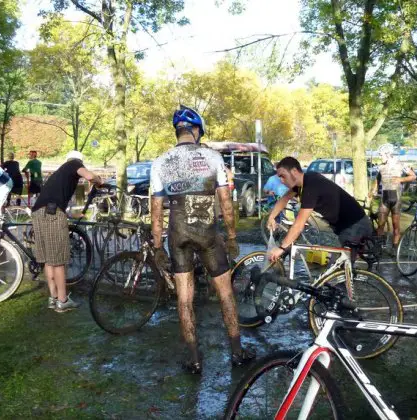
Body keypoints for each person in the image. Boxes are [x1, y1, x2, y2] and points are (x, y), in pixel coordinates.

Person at [150, 104, 254, 374]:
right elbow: (226, 202)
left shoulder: (161, 161)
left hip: (178, 233)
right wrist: (231, 236)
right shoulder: (212, 157)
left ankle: (194, 358)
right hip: (208, 232)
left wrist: (158, 245)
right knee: (225, 293)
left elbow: (157, 209)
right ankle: (237, 351)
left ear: (178, 131)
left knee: (184, 299)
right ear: (196, 131)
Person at [31, 150, 102, 312]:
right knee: (58, 260)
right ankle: (63, 301)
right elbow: (90, 176)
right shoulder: (74, 164)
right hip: (52, 214)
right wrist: (98, 180)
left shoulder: (60, 173)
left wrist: (70, 213)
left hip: (38, 213)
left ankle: (54, 297)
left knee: (48, 259)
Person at [266, 157, 372, 262]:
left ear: (294, 171)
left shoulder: (311, 186)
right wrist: (271, 217)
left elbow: (299, 225)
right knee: (336, 266)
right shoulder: (306, 180)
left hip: (355, 225)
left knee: (341, 269)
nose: (281, 181)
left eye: (283, 176)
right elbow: (284, 199)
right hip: (343, 225)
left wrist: (281, 248)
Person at [370, 143, 416, 249]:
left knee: (396, 225)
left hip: (396, 198)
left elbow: (413, 176)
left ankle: (395, 249)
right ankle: (378, 249)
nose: (380, 157)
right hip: (384, 198)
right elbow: (377, 179)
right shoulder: (381, 166)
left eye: (381, 155)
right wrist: (373, 190)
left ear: (388, 154)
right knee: (380, 224)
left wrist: (401, 179)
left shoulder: (400, 164)